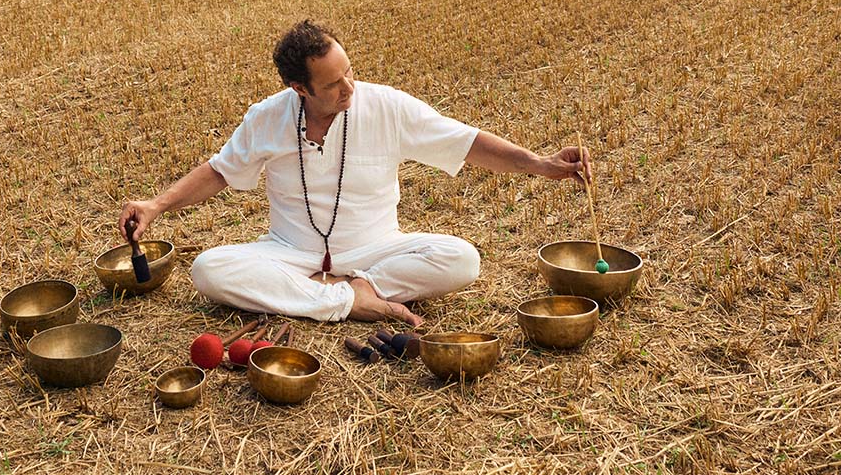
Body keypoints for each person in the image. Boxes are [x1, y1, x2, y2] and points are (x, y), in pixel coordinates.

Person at [118, 20, 592, 326]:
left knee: (462, 258)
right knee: (209, 269)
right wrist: (156, 204)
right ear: (299, 88)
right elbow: (221, 171)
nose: (349, 87)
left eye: (350, 72)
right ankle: (349, 302)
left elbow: (463, 142)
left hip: (376, 249)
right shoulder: (267, 116)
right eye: (334, 83)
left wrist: (539, 164)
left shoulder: (384, 104)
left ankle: (348, 290)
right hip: (289, 251)